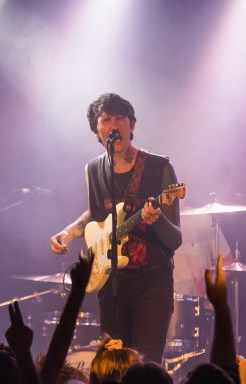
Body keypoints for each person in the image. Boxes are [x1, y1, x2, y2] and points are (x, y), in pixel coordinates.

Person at [49, 93, 182, 364]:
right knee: (112, 370)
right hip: (111, 284)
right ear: (97, 131)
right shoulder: (94, 169)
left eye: (119, 118)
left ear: (131, 125)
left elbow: (176, 239)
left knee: (144, 369)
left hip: (152, 283)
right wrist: (69, 232)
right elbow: (97, 216)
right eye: (105, 119)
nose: (113, 124)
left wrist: (156, 219)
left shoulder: (160, 168)